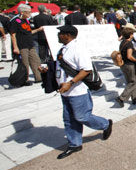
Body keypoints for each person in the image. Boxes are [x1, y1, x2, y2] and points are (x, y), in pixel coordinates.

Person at [39, 25, 112, 159]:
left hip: (78, 91)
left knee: (82, 117)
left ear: (67, 35)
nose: (58, 35)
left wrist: (70, 83)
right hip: (65, 91)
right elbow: (61, 65)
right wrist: (47, 69)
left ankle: (105, 124)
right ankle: (74, 144)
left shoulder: (78, 49)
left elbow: (86, 69)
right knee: (69, 119)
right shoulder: (63, 49)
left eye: (60, 33)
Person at [9, 4, 44, 85]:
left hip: (30, 44)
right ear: (22, 12)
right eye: (28, 12)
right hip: (21, 45)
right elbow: (13, 35)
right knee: (25, 63)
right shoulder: (15, 21)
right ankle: (25, 79)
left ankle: (38, 77)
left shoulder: (26, 20)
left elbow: (29, 32)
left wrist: (38, 29)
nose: (30, 14)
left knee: (36, 60)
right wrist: (15, 47)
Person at [116, 27, 136, 107]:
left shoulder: (122, 42)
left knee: (130, 81)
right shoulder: (129, 43)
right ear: (130, 35)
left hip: (123, 64)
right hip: (129, 65)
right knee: (133, 82)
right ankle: (121, 98)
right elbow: (129, 56)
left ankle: (134, 98)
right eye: (132, 34)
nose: (133, 35)